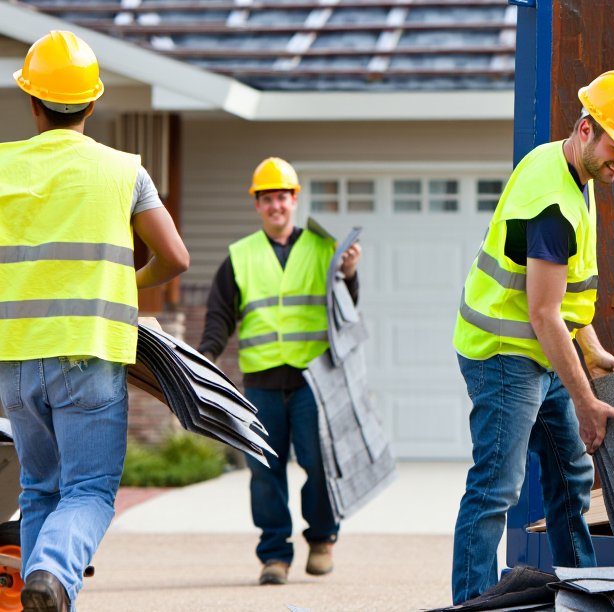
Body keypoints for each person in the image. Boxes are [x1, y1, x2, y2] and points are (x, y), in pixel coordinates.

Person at [450, 69, 614, 603]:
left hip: (539, 352)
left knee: (570, 475)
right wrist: (586, 401)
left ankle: (582, 596)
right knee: (496, 487)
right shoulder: (552, 206)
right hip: (504, 354)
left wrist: (590, 346)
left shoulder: (570, 167)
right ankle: (473, 605)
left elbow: (563, 300)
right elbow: (544, 313)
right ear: (587, 128)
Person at [0, 31, 189, 612]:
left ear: (32, 103)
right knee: (88, 490)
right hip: (88, 355)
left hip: (16, 358)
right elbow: (175, 259)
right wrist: (117, 284)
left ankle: (47, 591)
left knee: (38, 490)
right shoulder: (123, 170)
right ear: (92, 101)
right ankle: (54, 574)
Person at [197, 157, 361, 585]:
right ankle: (275, 556)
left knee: (319, 464)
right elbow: (219, 317)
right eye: (266, 199)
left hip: (313, 382)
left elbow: (346, 308)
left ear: (294, 200)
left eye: (282, 198)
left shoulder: (325, 248)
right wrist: (204, 357)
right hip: (263, 384)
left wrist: (350, 273)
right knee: (264, 472)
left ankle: (322, 539)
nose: (275, 207)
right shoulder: (240, 256)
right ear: (257, 205)